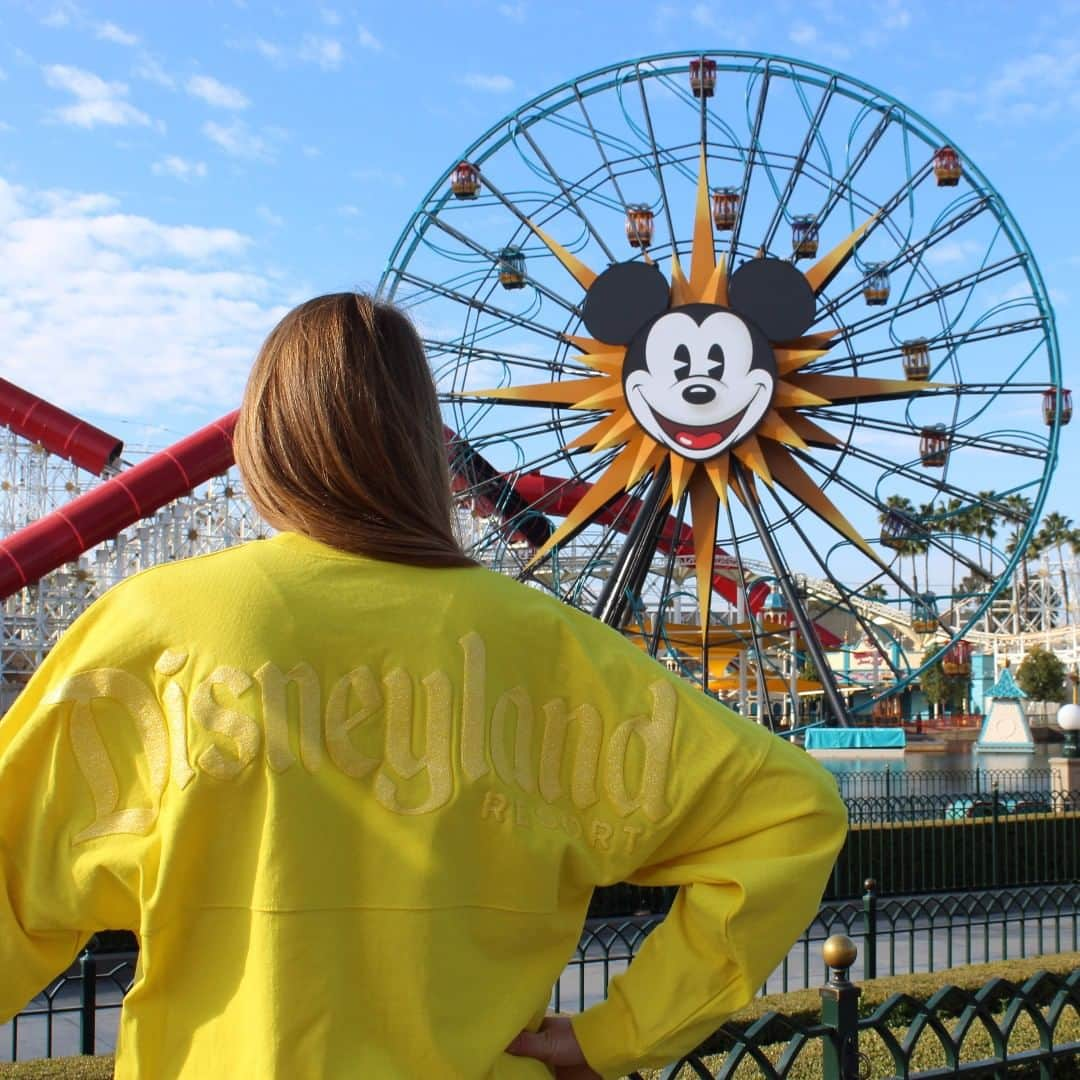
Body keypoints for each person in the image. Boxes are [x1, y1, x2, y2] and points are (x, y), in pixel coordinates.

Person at [0, 293, 847, 1078]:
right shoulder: (550, 646)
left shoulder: (156, 624)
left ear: (263, 438)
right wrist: (616, 1034)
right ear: (420, 442)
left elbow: (12, 881)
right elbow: (792, 817)